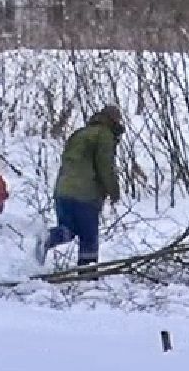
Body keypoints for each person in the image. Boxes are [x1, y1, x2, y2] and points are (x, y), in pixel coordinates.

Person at [37, 105, 124, 267]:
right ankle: (88, 272)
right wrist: (114, 191)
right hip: (85, 193)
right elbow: (105, 166)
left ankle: (48, 238)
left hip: (62, 191)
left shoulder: (79, 133)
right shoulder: (104, 135)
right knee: (89, 235)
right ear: (113, 120)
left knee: (67, 230)